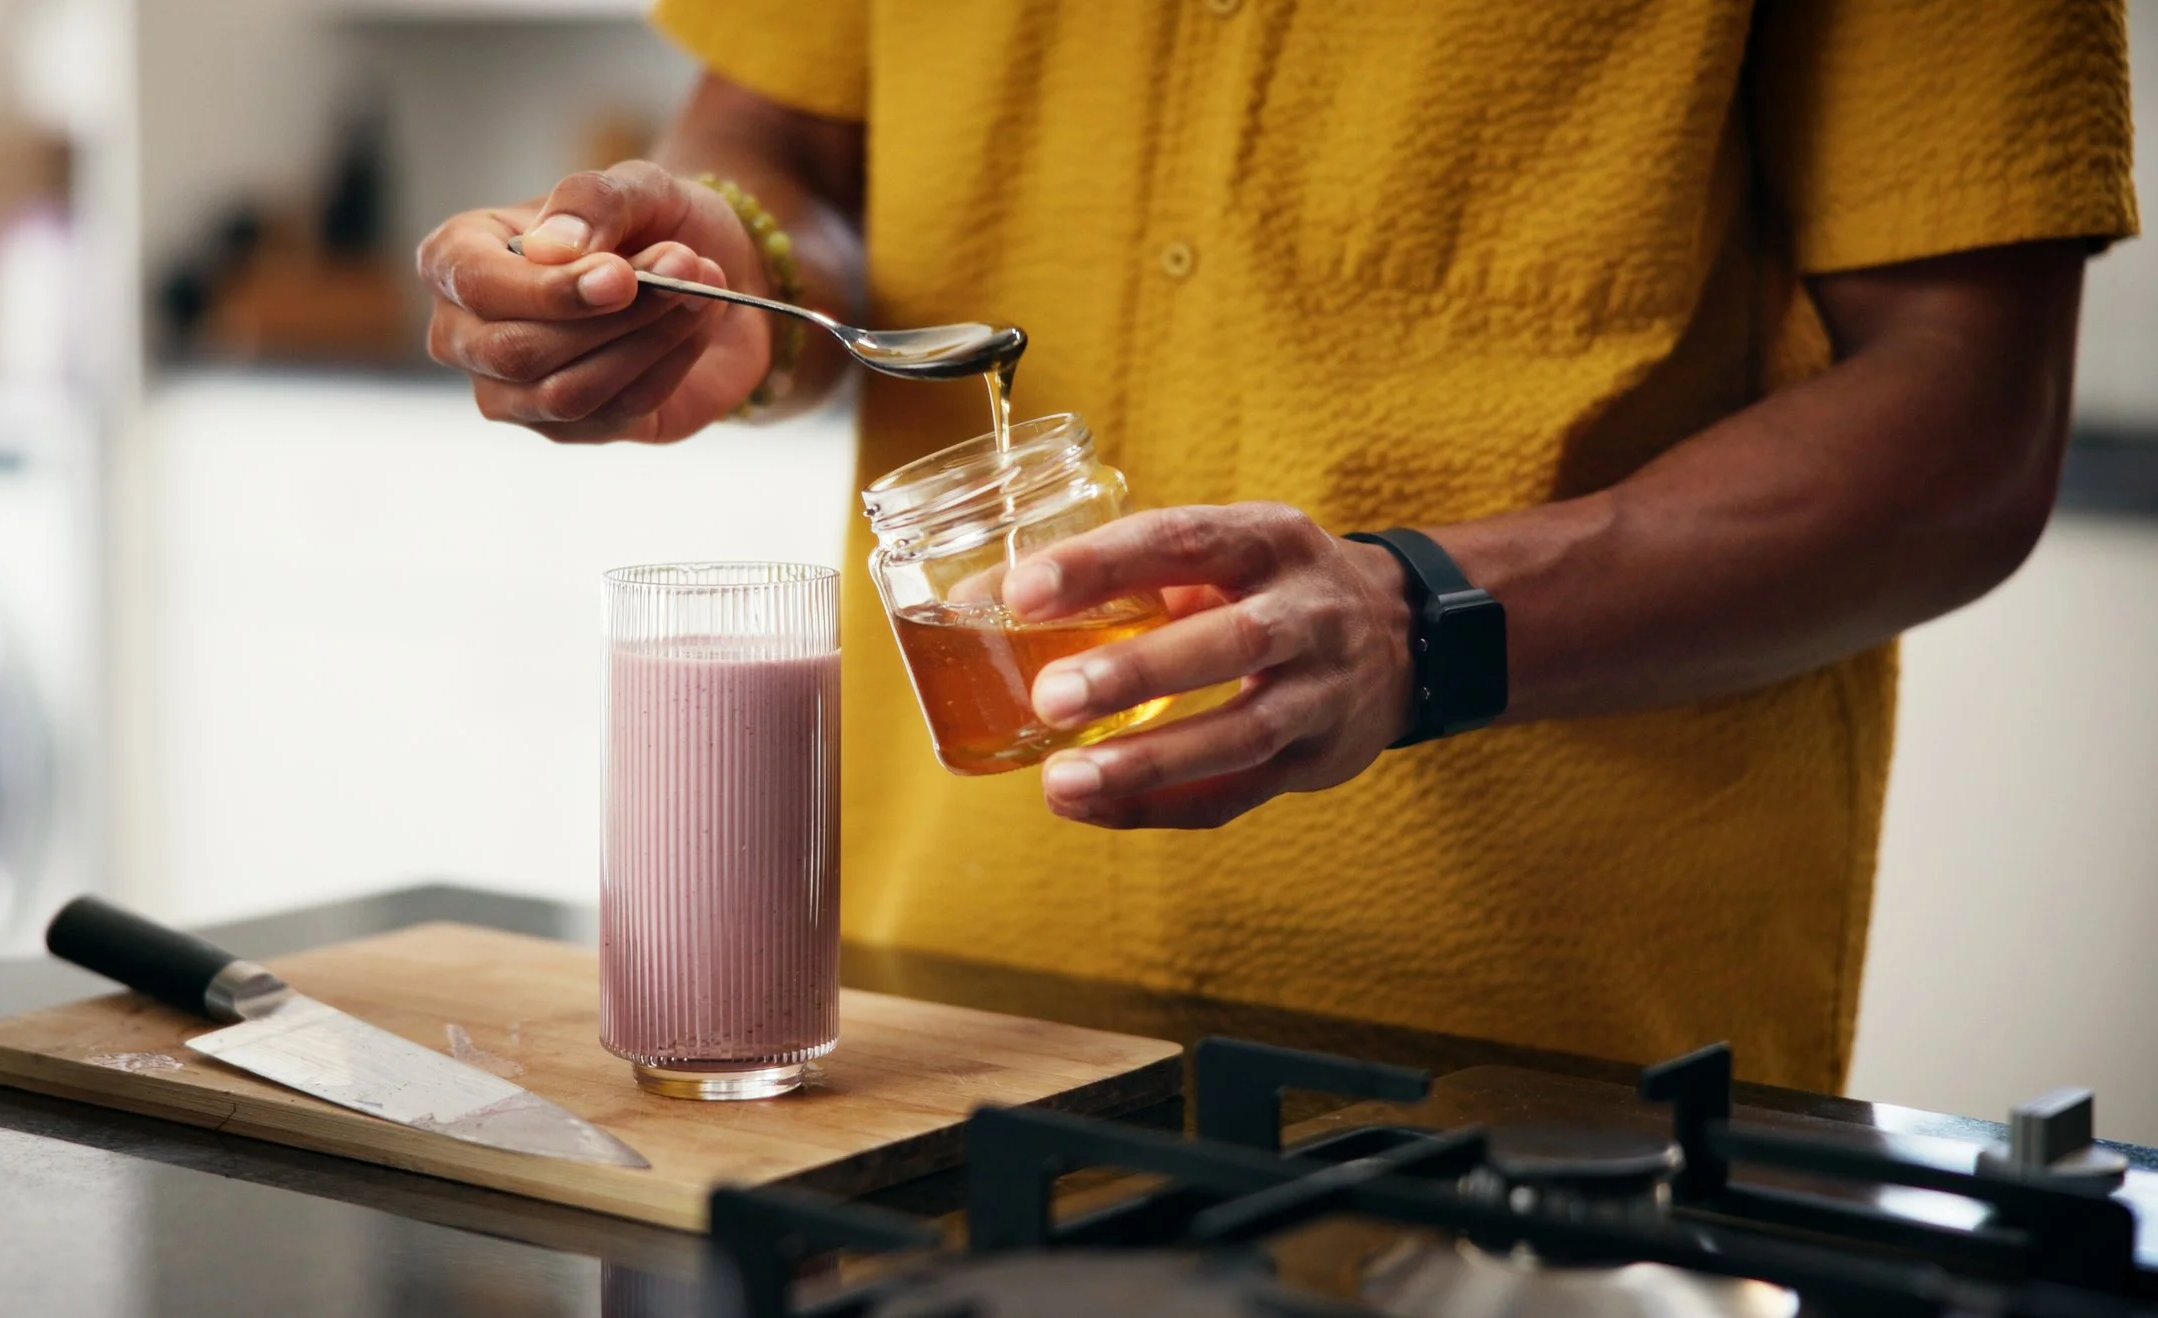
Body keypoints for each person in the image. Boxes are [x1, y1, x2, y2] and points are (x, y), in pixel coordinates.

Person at [418, 1, 2138, 1091]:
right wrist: (746, 271)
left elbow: (1968, 431)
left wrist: (1419, 614)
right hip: (926, 1060)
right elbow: (784, 130)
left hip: (1541, 1103)